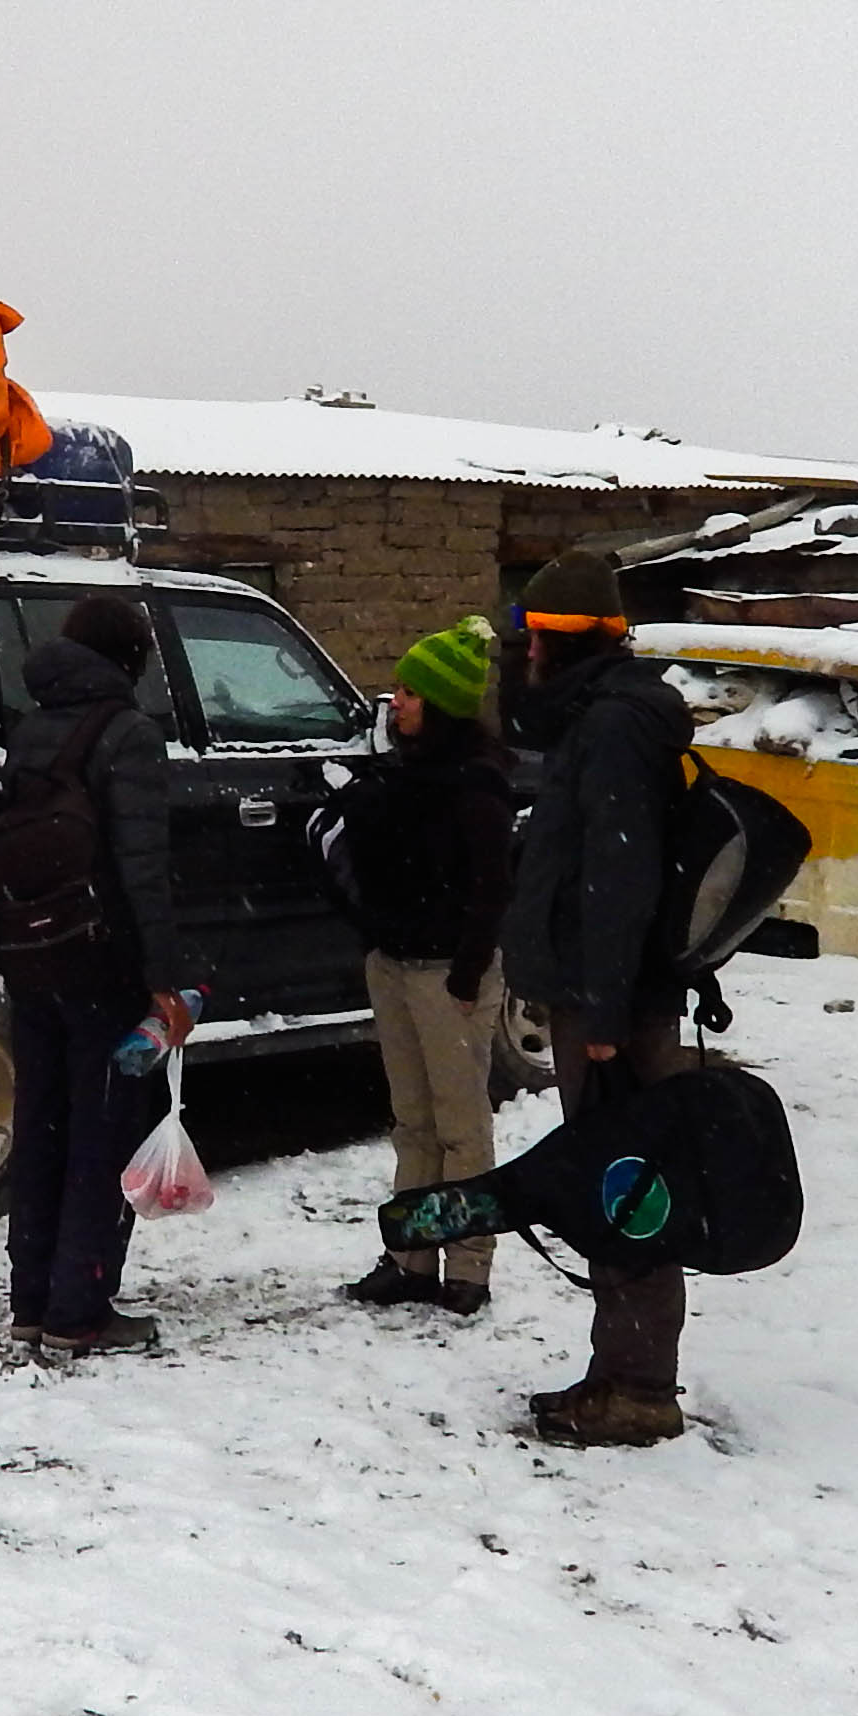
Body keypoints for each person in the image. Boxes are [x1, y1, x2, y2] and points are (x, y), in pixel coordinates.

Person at [498, 547, 702, 1444]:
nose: (523, 654)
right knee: (614, 1182)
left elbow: (621, 877)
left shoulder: (614, 726)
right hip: (603, 992)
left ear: (556, 640)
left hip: (613, 1002)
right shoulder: (601, 716)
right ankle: (617, 1372)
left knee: (630, 1190)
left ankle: (640, 1389)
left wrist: (608, 1014)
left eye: (529, 637)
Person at [0, 595, 199, 1358]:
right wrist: (164, 979)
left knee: (40, 1130)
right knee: (99, 1137)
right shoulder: (128, 735)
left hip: (32, 956)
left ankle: (30, 1303)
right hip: (100, 965)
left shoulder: (32, 727)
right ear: (130, 658)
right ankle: (79, 1312)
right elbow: (143, 871)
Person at [326, 619, 519, 1318]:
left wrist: (466, 976)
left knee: (460, 1127)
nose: (395, 702)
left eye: (409, 693)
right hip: (395, 965)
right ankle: (411, 1258)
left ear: (439, 704)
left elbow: (491, 890)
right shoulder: (405, 773)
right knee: (412, 1122)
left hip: (447, 977)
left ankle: (467, 1266)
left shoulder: (477, 785)